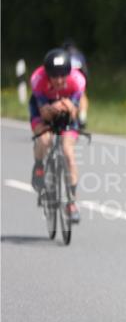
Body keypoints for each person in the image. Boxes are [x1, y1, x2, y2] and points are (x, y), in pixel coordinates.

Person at [29, 48, 87, 222]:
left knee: (68, 153)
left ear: (69, 73)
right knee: (44, 139)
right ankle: (39, 166)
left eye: (63, 75)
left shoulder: (78, 80)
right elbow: (44, 114)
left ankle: (71, 203)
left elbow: (74, 113)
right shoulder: (38, 79)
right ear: (47, 74)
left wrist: (68, 108)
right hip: (43, 110)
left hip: (67, 115)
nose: (59, 80)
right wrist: (56, 107)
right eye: (54, 76)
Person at [62, 40, 90, 128]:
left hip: (67, 77)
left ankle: (68, 116)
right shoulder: (79, 55)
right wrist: (86, 83)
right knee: (82, 95)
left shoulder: (63, 54)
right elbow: (85, 70)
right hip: (79, 77)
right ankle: (82, 117)